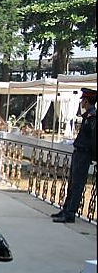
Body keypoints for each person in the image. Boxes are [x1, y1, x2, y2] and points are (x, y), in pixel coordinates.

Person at [52, 87, 97, 223]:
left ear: (87, 101)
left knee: (77, 185)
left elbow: (94, 139)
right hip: (79, 153)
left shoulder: (93, 117)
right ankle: (66, 209)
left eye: (83, 100)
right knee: (72, 183)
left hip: (84, 154)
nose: (81, 102)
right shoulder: (88, 116)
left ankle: (70, 213)